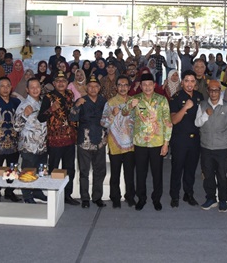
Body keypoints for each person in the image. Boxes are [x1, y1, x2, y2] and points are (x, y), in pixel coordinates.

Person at [129, 72, 172, 211]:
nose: (147, 87)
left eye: (149, 84)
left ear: (154, 85)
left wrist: (166, 143)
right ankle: (141, 198)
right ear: (140, 86)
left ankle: (156, 198)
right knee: (140, 173)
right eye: (144, 85)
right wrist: (130, 106)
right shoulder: (135, 99)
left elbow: (168, 122)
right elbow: (124, 113)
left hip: (156, 142)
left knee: (157, 172)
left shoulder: (162, 100)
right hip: (140, 142)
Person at [38, 71, 79, 205]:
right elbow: (41, 117)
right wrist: (51, 109)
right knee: (54, 168)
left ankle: (67, 195)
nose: (61, 83)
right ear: (54, 83)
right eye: (58, 81)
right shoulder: (48, 97)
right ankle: (53, 195)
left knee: (70, 169)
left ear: (67, 83)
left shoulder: (70, 94)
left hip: (70, 138)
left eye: (63, 81)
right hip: (55, 140)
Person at [194, 80, 227, 212]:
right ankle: (211, 198)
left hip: (221, 147)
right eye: (211, 90)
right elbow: (197, 123)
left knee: (222, 175)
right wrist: (205, 114)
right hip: (206, 146)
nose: (213, 93)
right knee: (208, 174)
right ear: (208, 91)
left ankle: (223, 199)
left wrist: (222, 138)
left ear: (220, 91)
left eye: (216, 90)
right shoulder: (202, 105)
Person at [70, 75, 108, 208]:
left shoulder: (104, 101)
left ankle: (97, 197)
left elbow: (108, 119)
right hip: (84, 141)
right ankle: (85, 198)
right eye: (90, 86)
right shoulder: (81, 100)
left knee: (100, 171)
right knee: (84, 171)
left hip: (100, 141)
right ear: (86, 88)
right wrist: (76, 106)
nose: (93, 89)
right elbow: (72, 118)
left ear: (99, 88)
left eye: (95, 86)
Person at [168, 71, 204, 207]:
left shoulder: (199, 97)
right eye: (187, 81)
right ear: (182, 82)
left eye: (192, 81)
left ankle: (188, 194)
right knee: (177, 169)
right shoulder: (175, 97)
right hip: (180, 139)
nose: (189, 84)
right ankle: (174, 196)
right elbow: (174, 120)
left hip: (195, 139)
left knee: (191, 169)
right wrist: (185, 107)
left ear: (195, 83)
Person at [102, 75, 136, 208]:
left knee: (129, 173)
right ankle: (115, 197)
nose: (123, 87)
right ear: (116, 87)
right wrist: (112, 114)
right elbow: (103, 123)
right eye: (120, 85)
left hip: (131, 144)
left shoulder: (134, 101)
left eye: (125, 85)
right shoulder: (110, 103)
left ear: (129, 87)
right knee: (115, 173)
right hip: (115, 143)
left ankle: (130, 196)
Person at [14, 78, 49, 204]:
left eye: (37, 87)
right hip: (29, 146)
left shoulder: (43, 103)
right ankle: (27, 195)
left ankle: (37, 192)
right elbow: (16, 127)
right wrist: (25, 114)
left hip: (42, 145)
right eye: (32, 87)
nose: (35, 89)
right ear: (27, 90)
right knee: (28, 171)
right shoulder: (24, 105)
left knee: (40, 171)